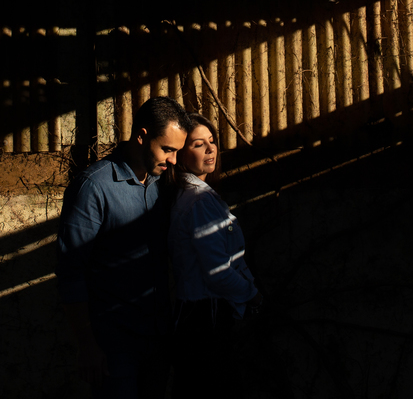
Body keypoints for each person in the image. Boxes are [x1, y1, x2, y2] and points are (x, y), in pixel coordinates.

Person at [56, 96, 192, 399]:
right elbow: (70, 272)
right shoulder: (93, 187)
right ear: (141, 136)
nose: (173, 160)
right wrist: (87, 345)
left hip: (157, 340)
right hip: (113, 346)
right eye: (167, 149)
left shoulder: (161, 184)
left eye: (177, 151)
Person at [167, 113, 263, 398]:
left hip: (195, 318)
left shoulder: (191, 195)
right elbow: (218, 272)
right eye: (199, 144)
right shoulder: (199, 201)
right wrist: (252, 295)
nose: (210, 149)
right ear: (181, 154)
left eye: (212, 141)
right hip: (203, 319)